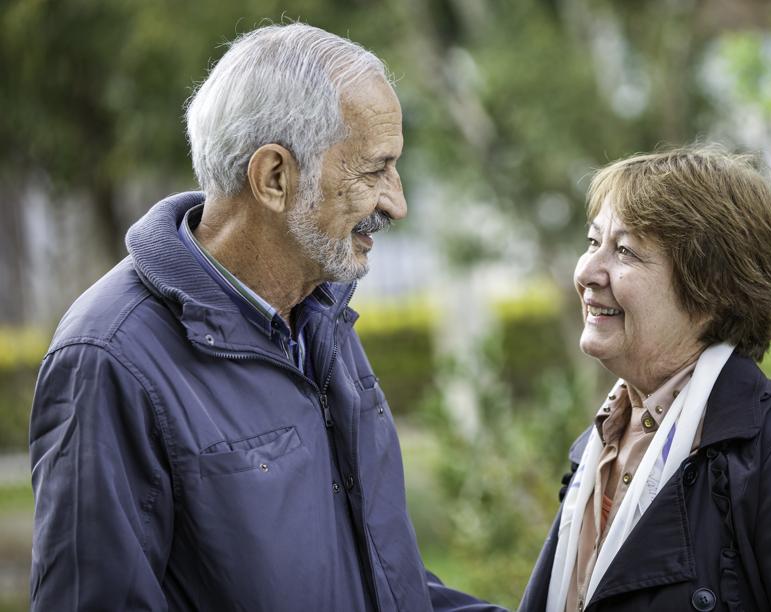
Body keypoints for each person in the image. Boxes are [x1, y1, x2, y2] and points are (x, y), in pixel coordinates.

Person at [29, 23, 504, 612]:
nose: (397, 203)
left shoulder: (318, 316)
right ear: (274, 177)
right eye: (374, 170)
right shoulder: (108, 360)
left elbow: (381, 578)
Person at [519, 146, 771, 612]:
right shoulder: (598, 447)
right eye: (594, 242)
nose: (587, 272)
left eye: (624, 251)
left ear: (710, 289)